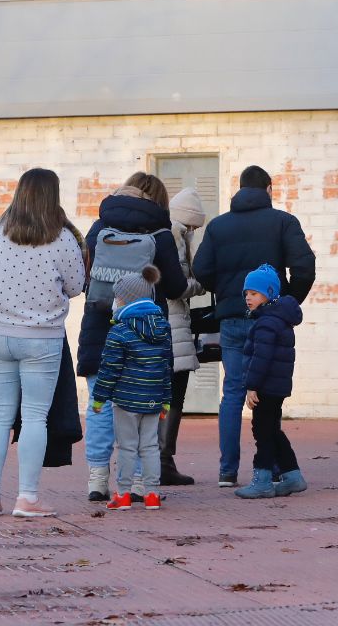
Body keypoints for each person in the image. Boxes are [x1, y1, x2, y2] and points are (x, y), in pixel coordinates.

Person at [191, 163, 315, 489]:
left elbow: (201, 269)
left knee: (233, 391)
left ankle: (227, 471)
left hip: (233, 317)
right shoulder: (284, 222)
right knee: (270, 393)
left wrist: (229, 292)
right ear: (269, 189)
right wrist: (287, 304)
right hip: (272, 320)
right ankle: (275, 467)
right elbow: (304, 266)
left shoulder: (219, 226)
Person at [0, 168, 85, 519]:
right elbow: (76, 286)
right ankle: (27, 497)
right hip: (41, 338)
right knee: (35, 416)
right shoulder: (63, 239)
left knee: (0, 414)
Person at [78, 175, 188, 501]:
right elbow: (176, 287)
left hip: (102, 330)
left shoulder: (100, 227)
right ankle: (140, 482)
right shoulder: (161, 233)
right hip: (146, 337)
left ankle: (98, 480)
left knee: (100, 407)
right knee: (144, 410)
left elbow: (85, 276)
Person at [91, 266, 174, 511]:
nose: (115, 301)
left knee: (127, 446)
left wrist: (99, 398)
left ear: (126, 299)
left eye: (117, 297)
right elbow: (166, 366)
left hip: (125, 400)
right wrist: (166, 399)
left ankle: (124, 494)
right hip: (153, 399)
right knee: (149, 446)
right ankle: (152, 494)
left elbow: (109, 368)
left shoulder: (119, 330)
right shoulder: (163, 327)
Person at [232, 265, 306, 499]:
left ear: (269, 293)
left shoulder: (266, 323)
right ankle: (292, 476)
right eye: (246, 293)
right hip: (277, 386)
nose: (248, 298)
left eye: (254, 293)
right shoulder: (278, 319)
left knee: (262, 432)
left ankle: (262, 480)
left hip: (266, 386)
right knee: (272, 430)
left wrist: (252, 386)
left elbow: (260, 359)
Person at [159, 187, 208, 486]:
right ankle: (164, 461)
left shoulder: (162, 232)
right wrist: (200, 285)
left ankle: (157, 460)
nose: (193, 232)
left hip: (164, 324)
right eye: (193, 226)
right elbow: (176, 286)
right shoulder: (175, 236)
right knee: (173, 394)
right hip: (173, 323)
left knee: (161, 395)